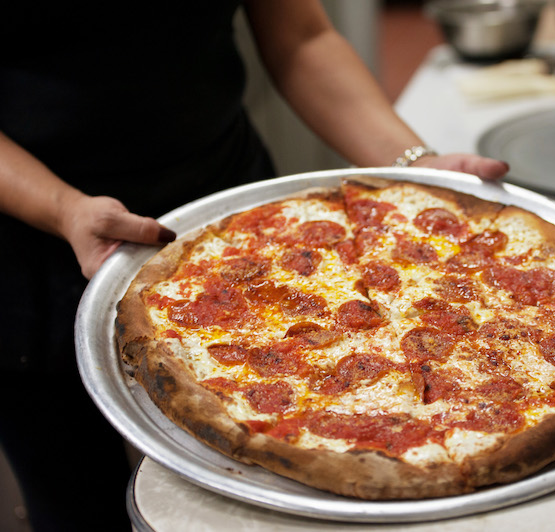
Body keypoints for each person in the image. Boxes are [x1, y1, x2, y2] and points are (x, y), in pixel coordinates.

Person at [0, 1, 507, 530]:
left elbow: (302, 39)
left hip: (231, 203)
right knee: (71, 501)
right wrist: (61, 208)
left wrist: (414, 166)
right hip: (29, 242)